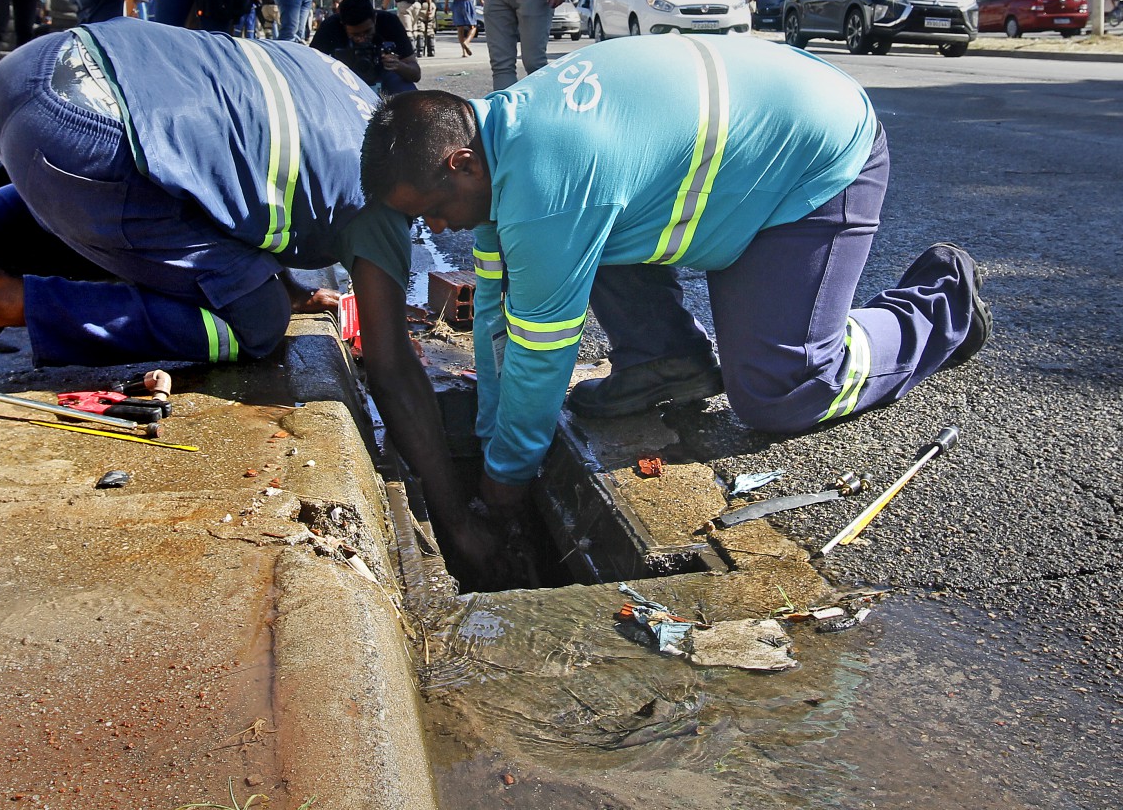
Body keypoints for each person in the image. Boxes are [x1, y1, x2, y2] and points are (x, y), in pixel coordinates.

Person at [0, 17, 512, 575]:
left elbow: (226, 167)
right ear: (454, 161)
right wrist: (457, 522)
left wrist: (293, 280)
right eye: (441, 211)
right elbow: (391, 368)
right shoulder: (382, 201)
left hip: (33, 78)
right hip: (88, 139)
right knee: (254, 322)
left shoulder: (344, 88)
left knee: (117, 191)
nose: (438, 227)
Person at [359, 35, 991, 513]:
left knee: (784, 391)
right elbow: (501, 306)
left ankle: (940, 304)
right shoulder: (498, 139)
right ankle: (667, 360)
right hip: (748, 152)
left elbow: (539, 349)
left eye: (434, 212)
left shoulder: (547, 189)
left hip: (808, 162)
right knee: (570, 250)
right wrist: (490, 431)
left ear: (462, 164)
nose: (437, 229)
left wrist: (504, 486)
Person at [310, 0, 421, 95]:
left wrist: (398, 66)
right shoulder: (330, 27)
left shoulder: (389, 22)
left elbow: (415, 74)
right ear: (343, 26)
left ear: (375, 19)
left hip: (384, 76)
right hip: (343, 78)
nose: (362, 39)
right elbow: (310, 68)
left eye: (367, 32)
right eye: (355, 34)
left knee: (410, 99)